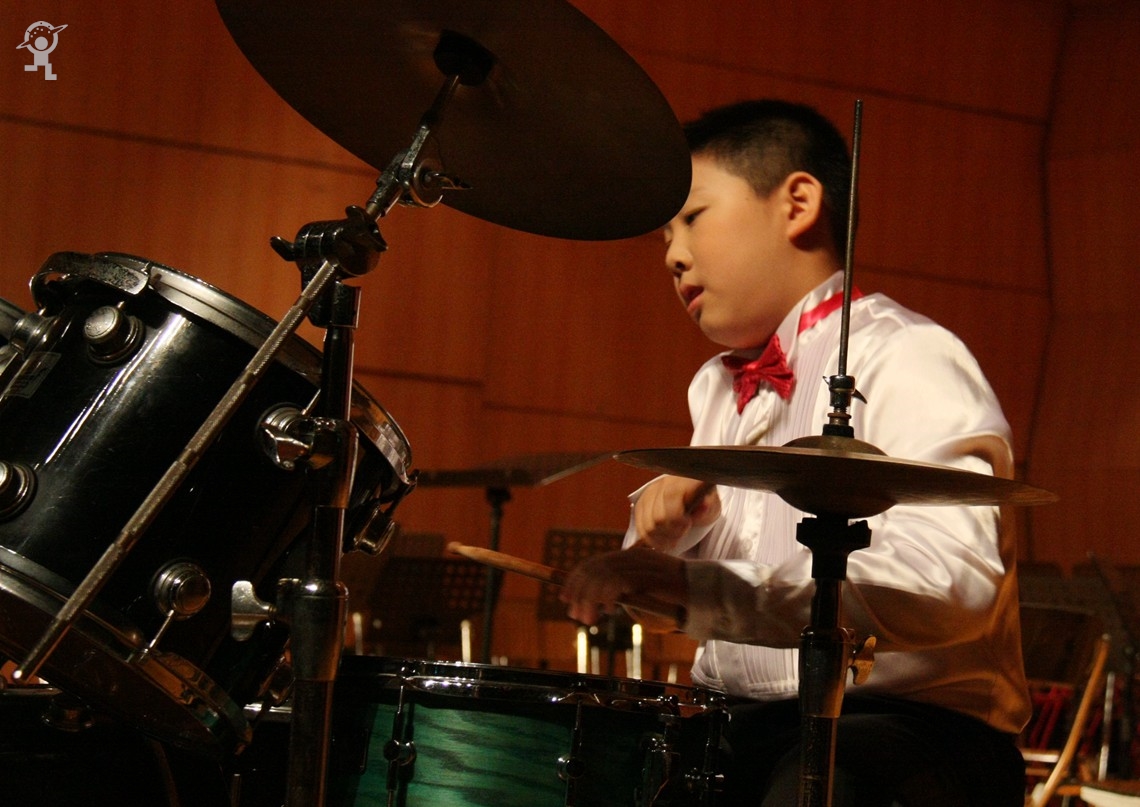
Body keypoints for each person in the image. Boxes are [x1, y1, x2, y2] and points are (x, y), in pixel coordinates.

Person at [560, 99, 1029, 806]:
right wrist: (659, 544)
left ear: (798, 203)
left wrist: (699, 589)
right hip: (739, 721)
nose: (672, 254)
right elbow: (701, 598)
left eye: (693, 218)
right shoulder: (715, 388)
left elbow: (950, 584)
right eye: (665, 235)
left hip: (907, 730)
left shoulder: (908, 354)